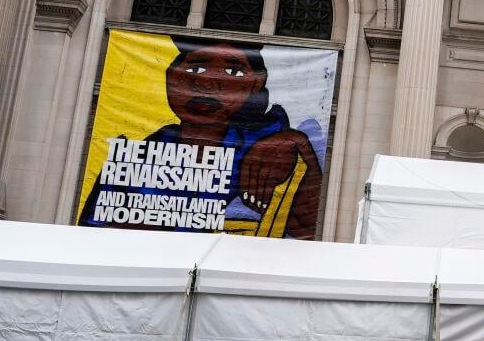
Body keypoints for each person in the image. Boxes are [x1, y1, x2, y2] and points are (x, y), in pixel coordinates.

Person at [79, 38, 324, 238]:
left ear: (255, 85)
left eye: (233, 71)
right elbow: (90, 237)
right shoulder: (134, 157)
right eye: (195, 68)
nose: (208, 83)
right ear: (170, 78)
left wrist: (302, 150)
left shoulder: (272, 148)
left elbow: (305, 235)